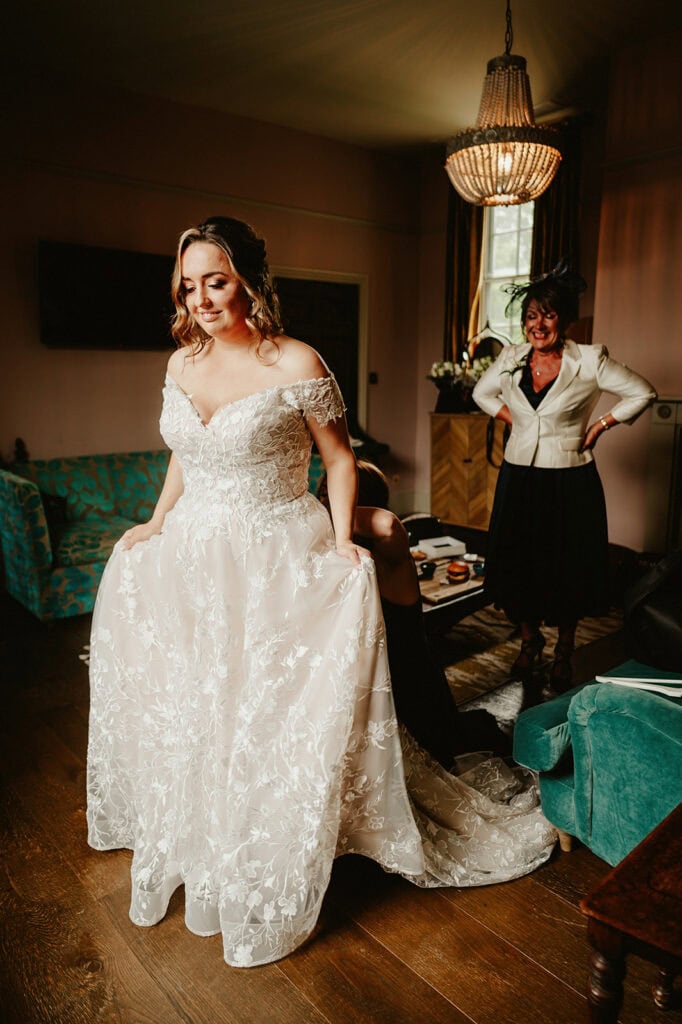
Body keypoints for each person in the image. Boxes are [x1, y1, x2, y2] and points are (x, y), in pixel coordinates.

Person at [87, 215, 556, 969]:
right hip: (198, 556)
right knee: (206, 698)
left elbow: (339, 460)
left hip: (276, 544)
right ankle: (208, 830)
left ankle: (281, 840)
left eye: (217, 280)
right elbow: (185, 455)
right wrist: (155, 520)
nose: (203, 298)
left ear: (248, 279)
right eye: (190, 284)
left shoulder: (296, 360)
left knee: (270, 707)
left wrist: (340, 542)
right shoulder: (182, 363)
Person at [473, 264, 656, 700]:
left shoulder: (589, 360)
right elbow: (482, 394)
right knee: (518, 561)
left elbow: (642, 392)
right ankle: (529, 639)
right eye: (531, 316)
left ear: (565, 319)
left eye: (549, 315)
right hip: (518, 477)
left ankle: (565, 650)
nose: (538, 325)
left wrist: (604, 424)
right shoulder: (511, 357)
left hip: (569, 481)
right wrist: (514, 420)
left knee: (567, 566)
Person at [318, 460, 510, 764]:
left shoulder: (391, 551)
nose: (325, 501)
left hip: (409, 684)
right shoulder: (333, 555)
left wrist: (311, 516)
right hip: (363, 680)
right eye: (324, 493)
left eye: (334, 493)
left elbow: (388, 524)